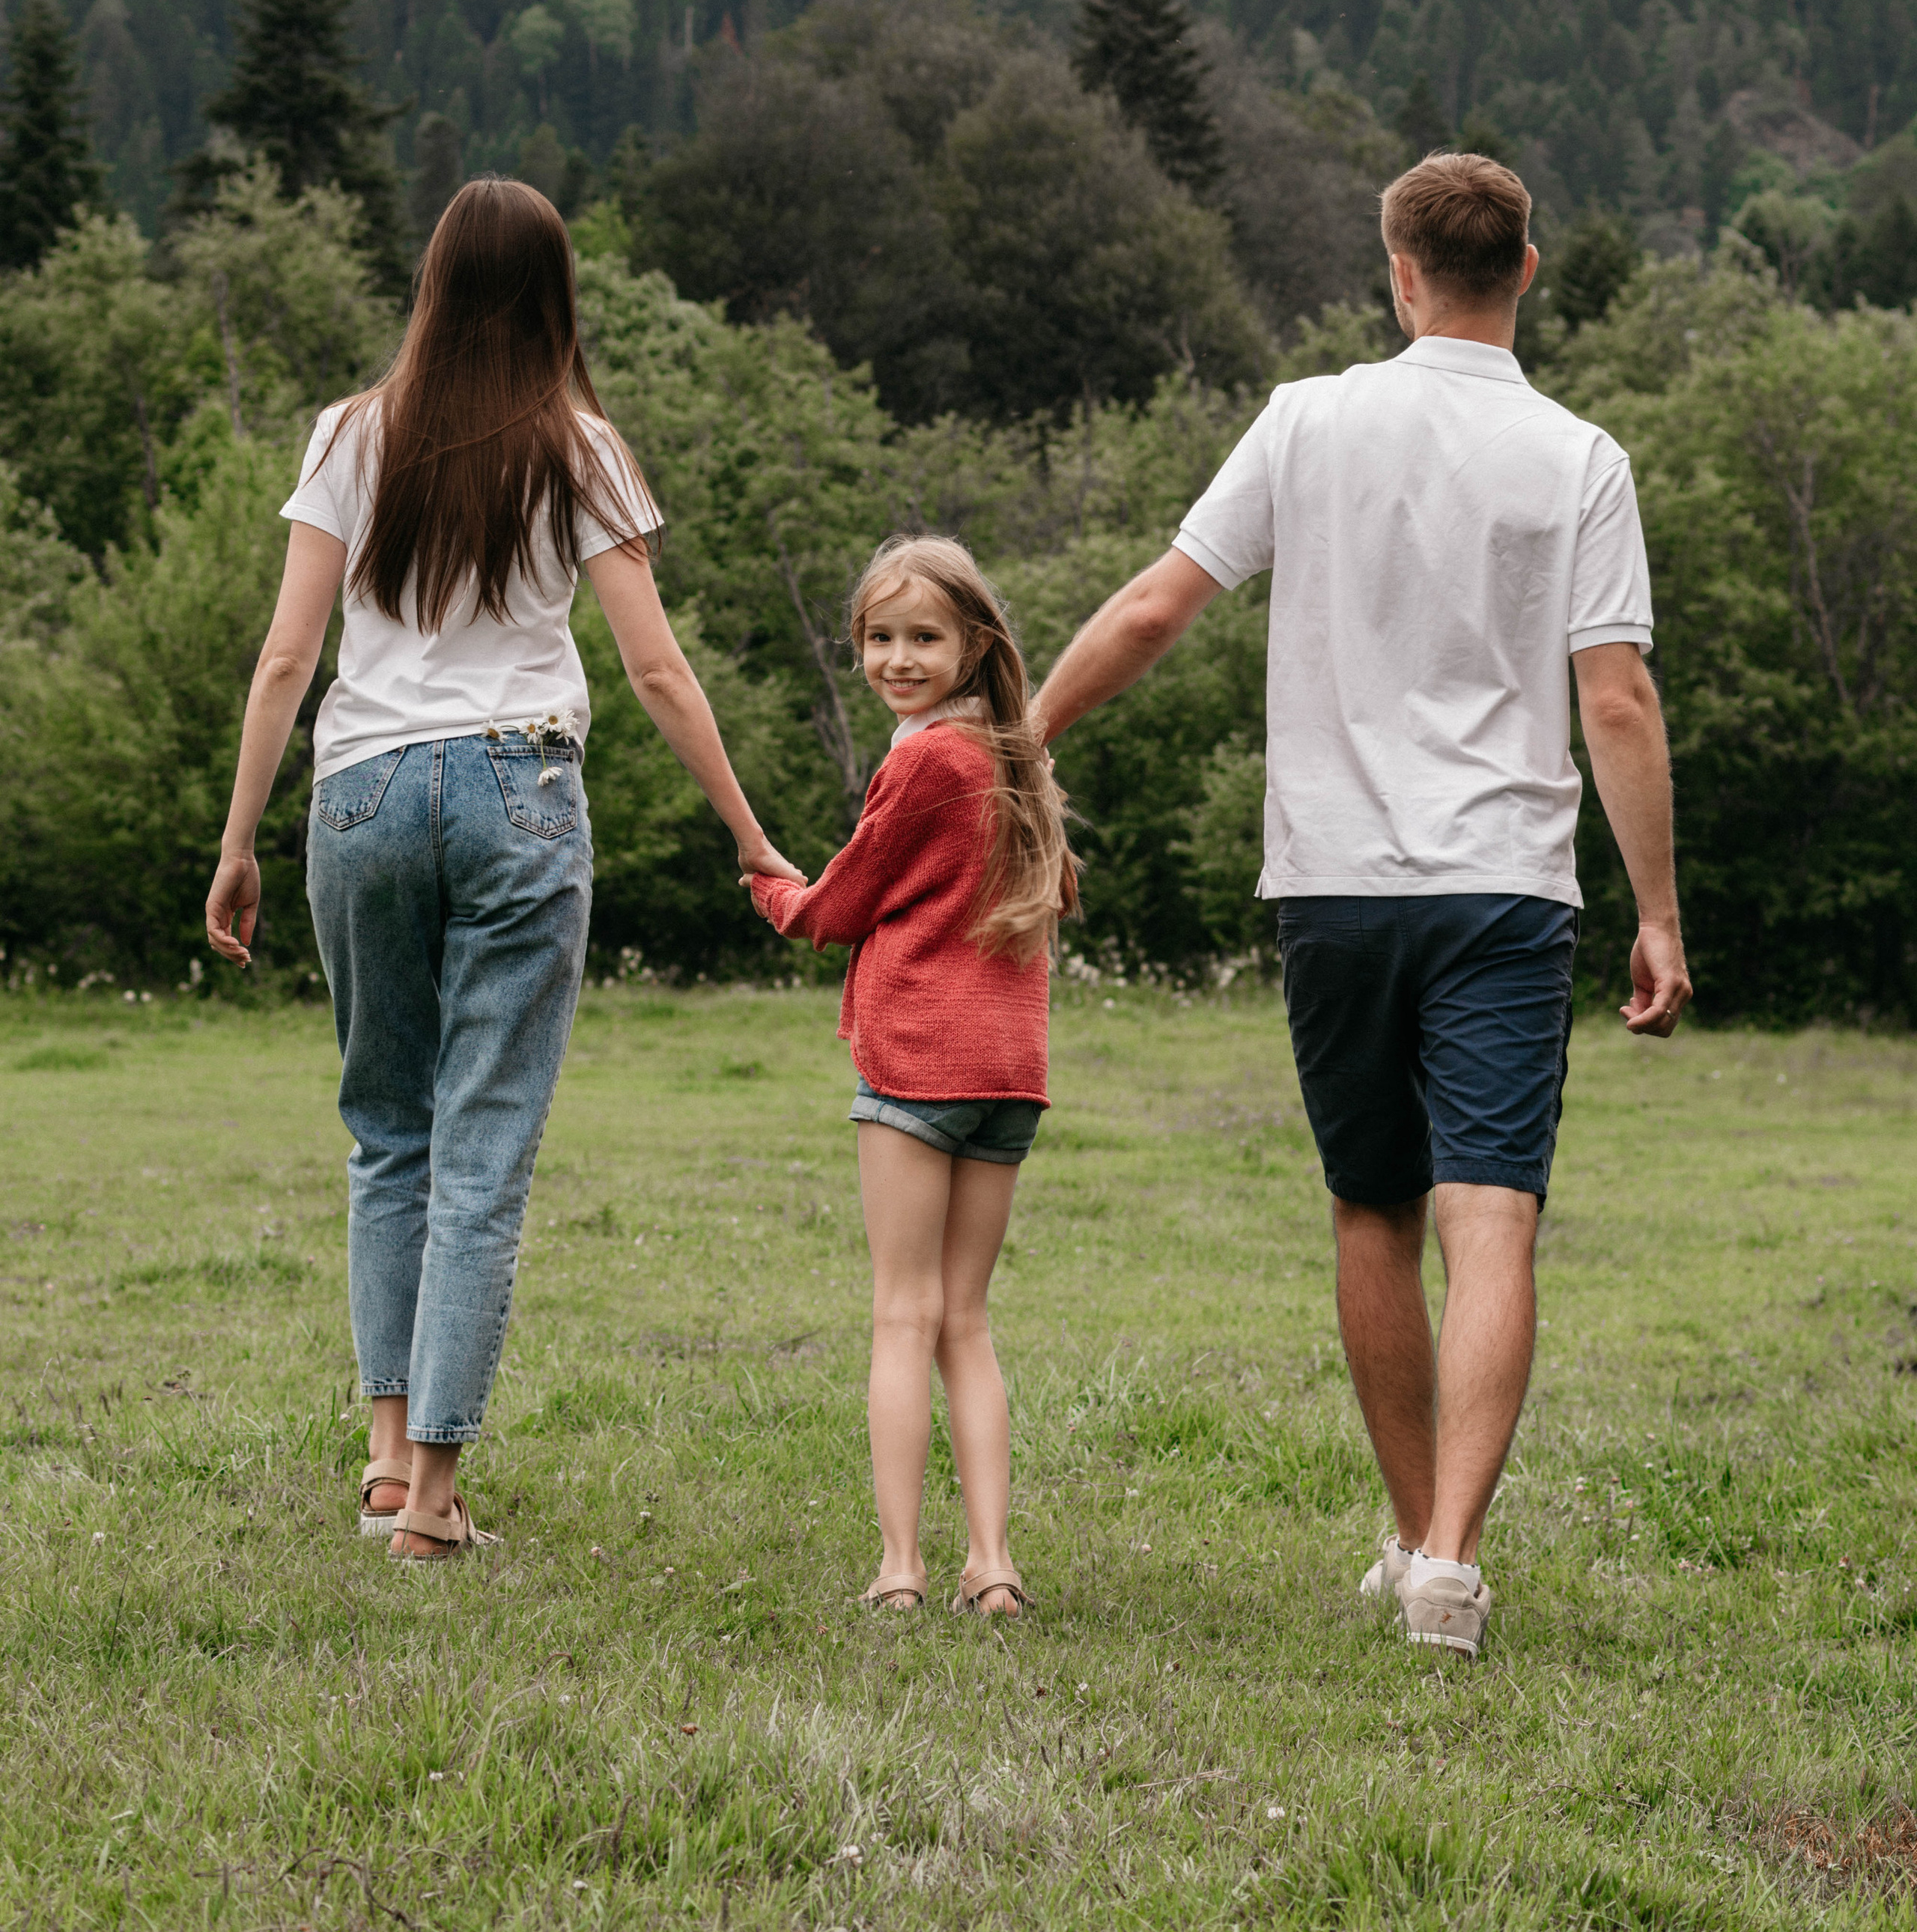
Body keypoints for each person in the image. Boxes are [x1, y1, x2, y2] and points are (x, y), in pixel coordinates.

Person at [1031, 153, 1689, 1657]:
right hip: (1503, 890)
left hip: (1333, 883)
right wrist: (1655, 911)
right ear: (1526, 272)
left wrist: (1024, 734)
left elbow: (1156, 606)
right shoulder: (1579, 457)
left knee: (1371, 1211)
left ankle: (1413, 1540)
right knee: (1491, 1217)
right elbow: (1617, 702)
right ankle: (1447, 1559)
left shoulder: (1305, 419)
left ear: (1398, 275)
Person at [204, 177, 800, 1561]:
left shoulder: (348, 434)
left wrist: (238, 841)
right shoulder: (581, 448)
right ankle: (433, 1500)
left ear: (432, 284)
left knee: (386, 1131)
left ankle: (385, 1460)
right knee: (481, 1152)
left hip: (360, 792)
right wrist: (750, 833)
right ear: (555, 294)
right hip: (517, 790)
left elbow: (288, 658)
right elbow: (656, 668)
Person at [747, 537, 1078, 1617]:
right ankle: (994, 1563)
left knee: (904, 1314)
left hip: (922, 1062)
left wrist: (774, 891)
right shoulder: (1018, 758)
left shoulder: (930, 759)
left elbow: (842, 903)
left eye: (924, 638)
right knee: (964, 1321)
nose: (899, 658)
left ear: (974, 646)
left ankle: (901, 1569)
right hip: (1009, 1074)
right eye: (880, 637)